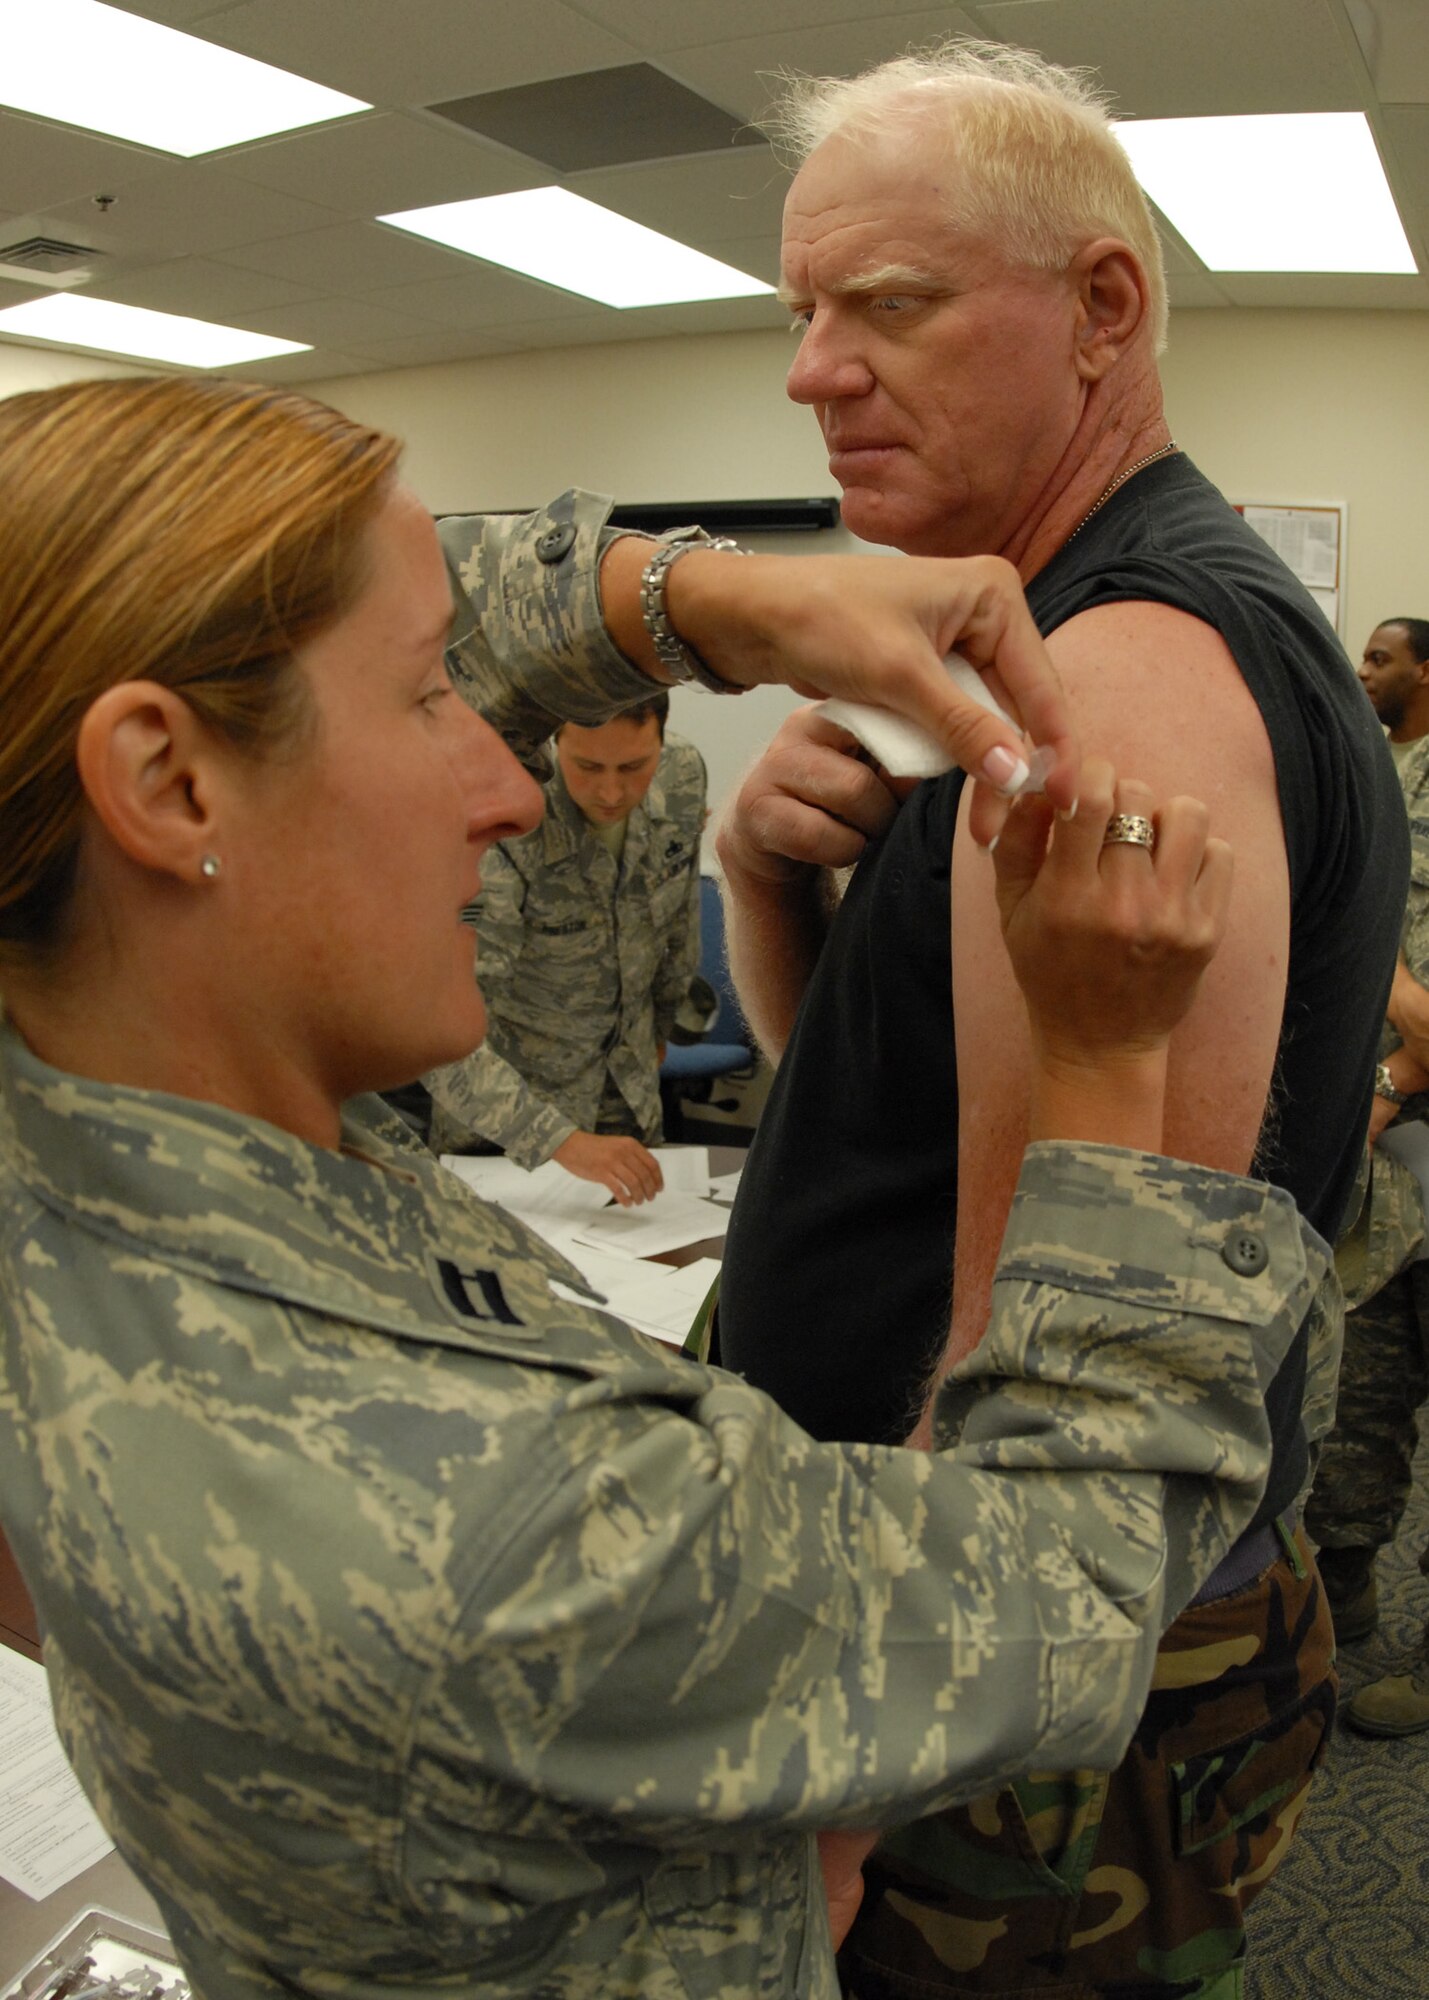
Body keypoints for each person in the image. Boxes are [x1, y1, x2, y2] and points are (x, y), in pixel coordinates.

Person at [0, 376, 1323, 2000]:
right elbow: (1074, 1583)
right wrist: (1104, 1070)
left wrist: (715, 597)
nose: (507, 788)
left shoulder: (59, 1133)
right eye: (428, 700)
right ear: (167, 781)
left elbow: (387, 614)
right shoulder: (507, 1523)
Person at [709, 41, 1407, 1999]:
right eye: (801, 314)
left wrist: (848, 1781)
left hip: (1014, 1691)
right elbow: (878, 1128)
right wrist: (773, 888)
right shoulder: (1033, 632)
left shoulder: (1127, 668)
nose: (813, 369)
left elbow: (1057, 1370)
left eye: (890, 306)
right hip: (1007, 1637)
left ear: (1102, 310)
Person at [425, 696, 705, 1206]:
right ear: (556, 739)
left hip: (628, 1108)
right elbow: (437, 1034)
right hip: (504, 1135)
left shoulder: (682, 779)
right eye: (588, 766)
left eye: (635, 766)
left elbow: (680, 924)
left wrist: (660, 1026)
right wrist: (559, 1139)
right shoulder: (507, 814)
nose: (611, 791)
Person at [1306, 615, 1429, 1736]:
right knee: (1364, 1379)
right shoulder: (1380, 774)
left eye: (1384, 655)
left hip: (1403, 1105)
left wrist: (1403, 1061)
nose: (1362, 673)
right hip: (1391, 1147)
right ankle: (1342, 1583)